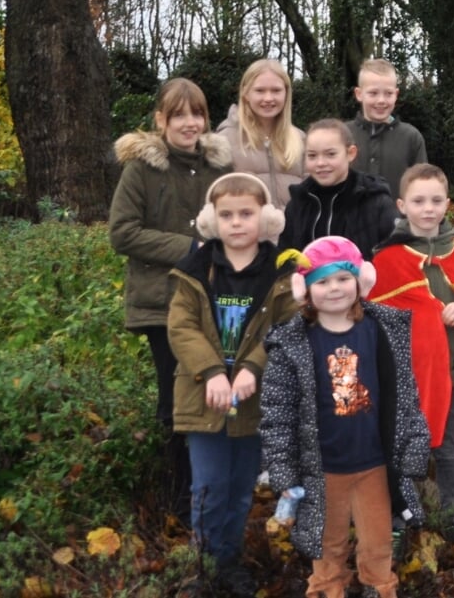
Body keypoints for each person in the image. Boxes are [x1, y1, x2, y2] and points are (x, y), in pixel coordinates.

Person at [259, 236, 430, 598]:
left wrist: (414, 447)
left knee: (378, 545)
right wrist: (284, 472)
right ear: (304, 289)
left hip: (375, 466)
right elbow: (277, 413)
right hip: (323, 470)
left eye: (342, 279)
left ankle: (379, 588)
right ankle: (326, 590)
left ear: (361, 281)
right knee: (327, 547)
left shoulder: (382, 331)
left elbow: (405, 397)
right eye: (321, 281)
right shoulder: (292, 344)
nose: (333, 289)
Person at [167, 173, 297, 597]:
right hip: (203, 395)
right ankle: (202, 565)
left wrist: (253, 368)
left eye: (247, 214)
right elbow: (182, 327)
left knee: (241, 489)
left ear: (267, 219)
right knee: (207, 487)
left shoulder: (279, 273)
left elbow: (285, 328)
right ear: (211, 220)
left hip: (253, 399)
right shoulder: (195, 269)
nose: (237, 223)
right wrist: (211, 371)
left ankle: (229, 560)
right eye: (227, 215)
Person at [109, 77, 233, 517]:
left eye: (196, 113)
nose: (189, 123)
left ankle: (210, 493)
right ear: (160, 119)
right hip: (161, 304)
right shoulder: (141, 169)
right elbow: (122, 232)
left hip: (214, 303)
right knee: (175, 399)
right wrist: (189, 248)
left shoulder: (220, 168)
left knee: (214, 395)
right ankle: (178, 499)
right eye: (178, 114)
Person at [369, 164, 454, 550]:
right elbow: (376, 319)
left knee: (447, 450)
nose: (428, 209)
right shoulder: (386, 261)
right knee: (401, 449)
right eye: (419, 201)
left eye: (436, 200)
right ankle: (395, 520)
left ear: (448, 204)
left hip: (453, 373)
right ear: (402, 205)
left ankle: (451, 518)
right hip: (406, 380)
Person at [281, 120, 400, 255]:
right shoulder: (298, 203)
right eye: (312, 156)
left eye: (330, 154)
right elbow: (286, 256)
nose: (320, 163)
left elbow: (393, 256)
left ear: (350, 153)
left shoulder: (375, 200)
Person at [216, 58, 306, 205]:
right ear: (245, 93)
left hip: (295, 228)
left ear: (286, 93)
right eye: (260, 91)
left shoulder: (301, 140)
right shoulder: (224, 140)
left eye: (276, 90)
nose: (268, 98)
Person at [348, 59, 429, 198]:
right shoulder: (342, 135)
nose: (381, 100)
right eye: (373, 93)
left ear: (396, 95)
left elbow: (423, 188)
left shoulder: (411, 137)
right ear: (359, 94)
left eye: (388, 93)